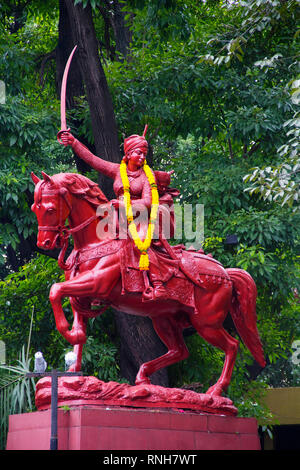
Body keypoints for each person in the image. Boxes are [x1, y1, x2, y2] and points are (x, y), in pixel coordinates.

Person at [59, 127, 171, 300]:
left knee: (140, 241)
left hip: (140, 219)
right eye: (138, 153)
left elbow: (148, 202)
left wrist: (124, 204)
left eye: (144, 154)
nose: (142, 157)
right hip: (117, 219)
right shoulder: (117, 170)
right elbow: (92, 159)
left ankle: (156, 284)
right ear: (128, 153)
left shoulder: (147, 177)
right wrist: (73, 142)